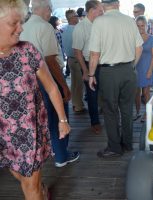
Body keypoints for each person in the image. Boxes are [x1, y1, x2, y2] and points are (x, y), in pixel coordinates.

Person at [0, 0, 70, 199]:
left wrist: (63, 120)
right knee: (19, 174)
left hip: (29, 132)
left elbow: (51, 87)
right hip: (3, 133)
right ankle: (41, 189)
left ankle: (38, 191)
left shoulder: (27, 50)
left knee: (30, 187)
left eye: (21, 22)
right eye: (14, 23)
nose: (21, 28)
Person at [20, 0, 79, 168]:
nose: (51, 13)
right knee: (58, 116)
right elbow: (50, 60)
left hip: (29, 79)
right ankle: (62, 155)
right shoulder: (44, 27)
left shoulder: (24, 26)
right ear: (45, 9)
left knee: (43, 118)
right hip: (48, 77)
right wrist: (64, 86)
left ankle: (52, 150)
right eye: (50, 9)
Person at [88, 0, 143, 157]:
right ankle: (127, 143)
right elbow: (139, 48)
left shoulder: (99, 22)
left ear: (103, 5)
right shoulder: (130, 21)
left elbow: (94, 54)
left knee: (110, 110)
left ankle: (114, 147)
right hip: (128, 70)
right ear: (118, 3)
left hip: (109, 72)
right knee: (126, 108)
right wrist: (132, 65)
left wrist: (91, 74)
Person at [72, 0, 103, 134]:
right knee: (92, 95)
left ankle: (107, 117)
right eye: (100, 10)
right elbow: (77, 52)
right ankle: (95, 122)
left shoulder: (101, 24)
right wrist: (85, 70)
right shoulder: (80, 27)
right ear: (92, 11)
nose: (102, 12)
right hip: (89, 64)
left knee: (105, 93)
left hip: (103, 63)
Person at [134, 15, 153, 122]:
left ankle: (148, 113)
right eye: (138, 26)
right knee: (136, 93)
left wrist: (150, 71)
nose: (140, 28)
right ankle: (137, 112)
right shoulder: (134, 38)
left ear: (147, 26)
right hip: (136, 69)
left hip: (148, 68)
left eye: (142, 25)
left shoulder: (152, 39)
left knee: (146, 93)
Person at [62, 9, 85, 113]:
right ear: (72, 18)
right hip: (77, 60)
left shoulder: (65, 30)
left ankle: (76, 104)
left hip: (70, 60)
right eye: (76, 15)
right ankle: (79, 106)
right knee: (79, 85)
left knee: (74, 83)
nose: (78, 17)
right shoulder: (76, 30)